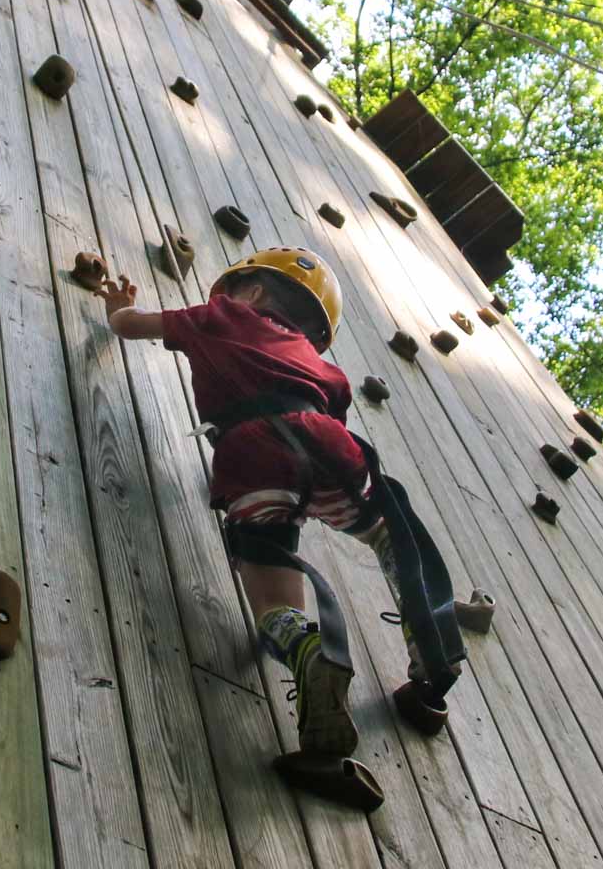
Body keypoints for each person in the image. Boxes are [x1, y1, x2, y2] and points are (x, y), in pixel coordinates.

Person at [93, 246, 461, 806]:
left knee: (270, 582)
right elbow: (321, 421)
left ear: (255, 294)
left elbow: (130, 326)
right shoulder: (325, 368)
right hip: (328, 442)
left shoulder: (219, 317)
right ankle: (428, 646)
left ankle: (305, 650)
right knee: (391, 534)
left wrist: (118, 307)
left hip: (251, 455)